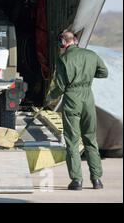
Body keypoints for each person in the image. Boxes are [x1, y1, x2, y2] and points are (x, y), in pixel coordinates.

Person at [46, 30, 109, 191]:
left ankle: (77, 181)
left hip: (72, 100)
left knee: (72, 141)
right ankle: (97, 180)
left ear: (63, 43)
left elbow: (59, 86)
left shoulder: (63, 59)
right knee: (90, 139)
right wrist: (86, 76)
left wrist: (47, 99)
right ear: (75, 40)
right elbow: (104, 73)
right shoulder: (91, 55)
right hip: (88, 97)